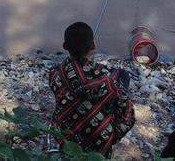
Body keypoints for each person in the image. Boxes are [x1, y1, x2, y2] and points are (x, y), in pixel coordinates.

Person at [48, 21, 135, 157]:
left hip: (65, 134)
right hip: (98, 142)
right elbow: (128, 115)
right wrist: (113, 135)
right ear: (93, 46)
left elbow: (78, 79)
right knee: (123, 76)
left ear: (65, 46)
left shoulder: (55, 73)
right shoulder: (109, 81)